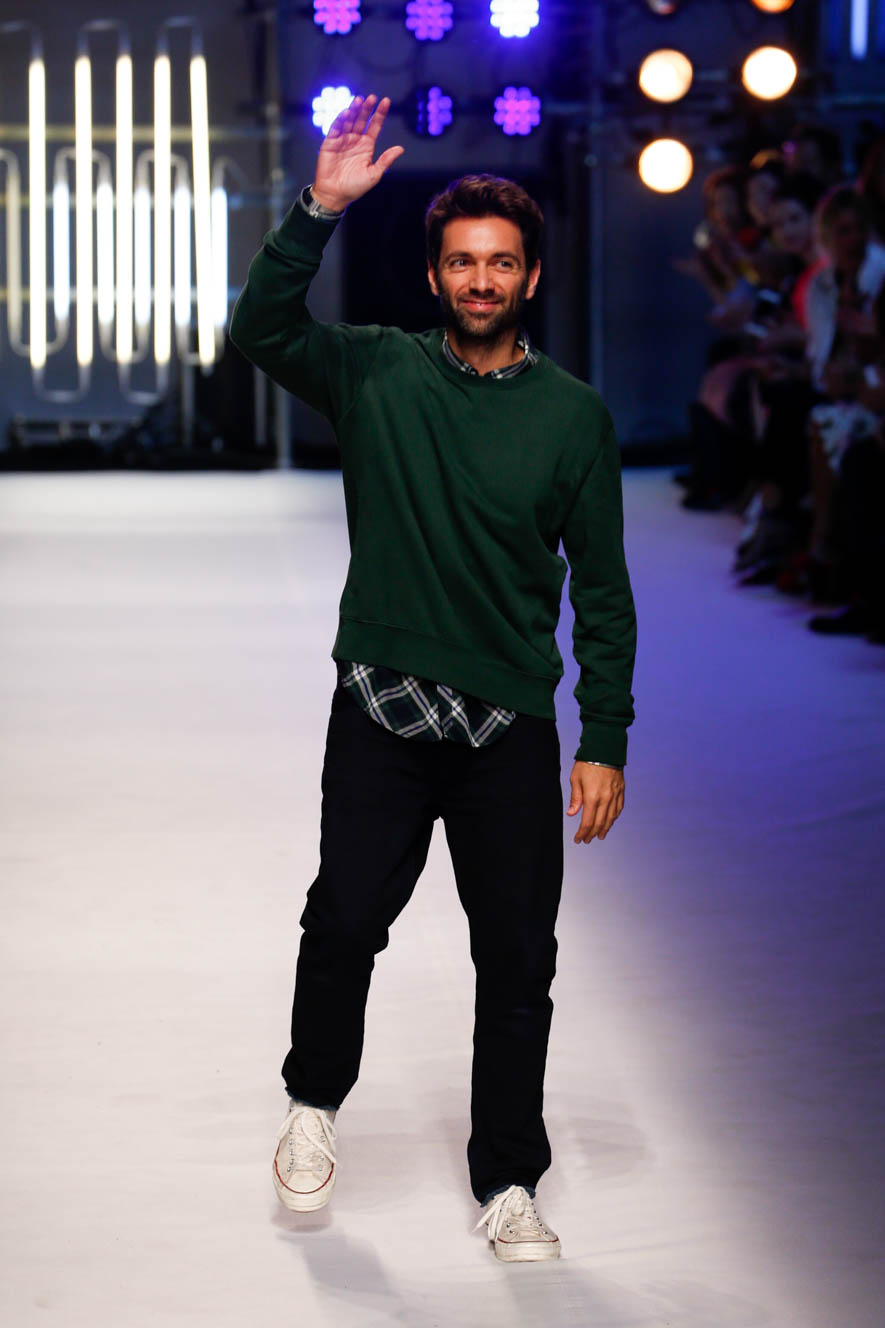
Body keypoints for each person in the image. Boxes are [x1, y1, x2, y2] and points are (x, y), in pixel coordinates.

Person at [229, 92, 636, 1263]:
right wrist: (317, 210)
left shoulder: (574, 418)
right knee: (344, 917)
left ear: (531, 275)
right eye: (462, 261)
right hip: (384, 707)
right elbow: (261, 329)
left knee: (518, 961)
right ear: (434, 273)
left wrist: (602, 736)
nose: (481, 279)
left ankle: (509, 1179)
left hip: (508, 722)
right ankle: (313, 1100)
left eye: (501, 261)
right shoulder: (376, 372)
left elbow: (605, 591)